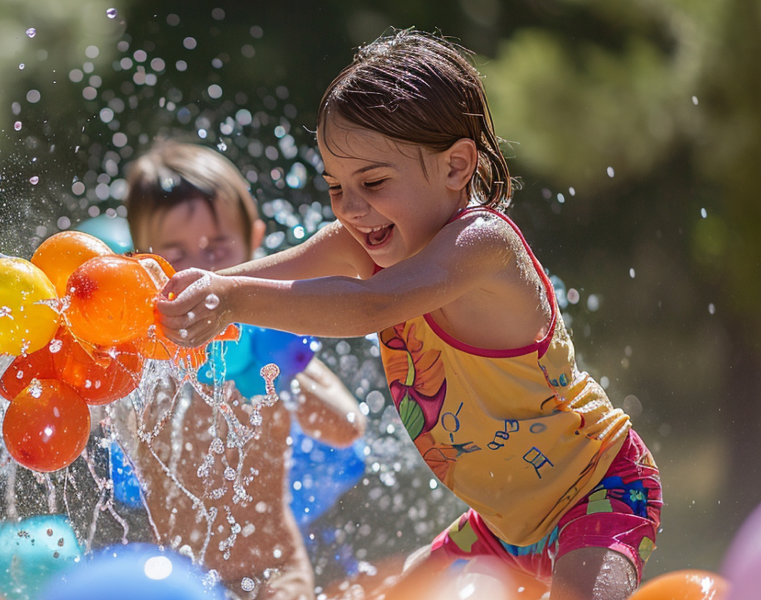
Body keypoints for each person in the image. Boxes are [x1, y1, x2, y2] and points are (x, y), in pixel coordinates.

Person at [155, 30, 662, 600]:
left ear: (455, 167)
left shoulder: (483, 246)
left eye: (372, 182)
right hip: (500, 526)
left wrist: (234, 298)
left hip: (598, 491)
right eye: (335, 187)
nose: (350, 207)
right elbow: (275, 270)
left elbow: (375, 305)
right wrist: (213, 288)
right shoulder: (367, 239)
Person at [116, 139, 367, 600]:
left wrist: (273, 370)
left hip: (275, 570)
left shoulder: (270, 336)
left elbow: (347, 425)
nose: (199, 272)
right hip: (176, 580)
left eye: (218, 250)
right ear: (142, 260)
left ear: (256, 243)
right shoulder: (141, 356)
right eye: (176, 253)